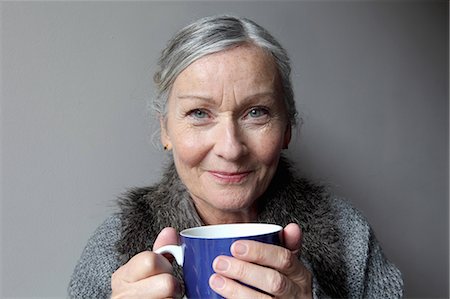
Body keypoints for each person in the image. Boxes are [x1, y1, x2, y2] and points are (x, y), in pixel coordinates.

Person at [68, 15, 403, 298]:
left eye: (256, 112)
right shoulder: (115, 245)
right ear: (166, 131)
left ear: (287, 128)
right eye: (199, 113)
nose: (230, 148)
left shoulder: (349, 235)